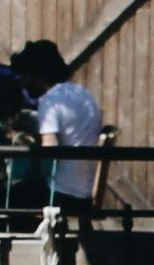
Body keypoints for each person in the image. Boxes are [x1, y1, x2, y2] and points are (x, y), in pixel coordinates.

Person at [6, 37, 106, 205]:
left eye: (25, 76)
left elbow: (49, 151)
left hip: (62, 191)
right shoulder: (84, 94)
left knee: (9, 195)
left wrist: (22, 141)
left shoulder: (51, 101)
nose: (24, 83)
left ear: (35, 74)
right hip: (85, 188)